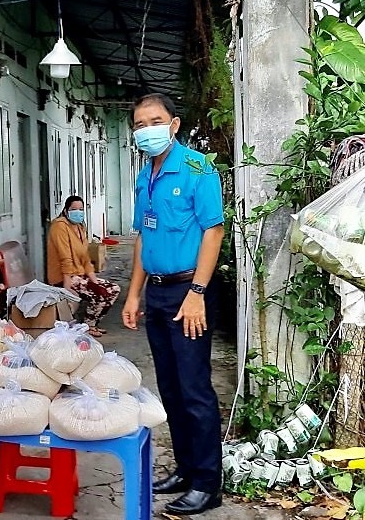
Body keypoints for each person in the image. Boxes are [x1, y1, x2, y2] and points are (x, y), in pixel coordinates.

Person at [122, 93, 225, 517]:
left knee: (195, 388)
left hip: (189, 293)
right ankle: (185, 469)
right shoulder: (145, 176)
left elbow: (213, 232)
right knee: (170, 386)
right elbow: (143, 237)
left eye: (156, 120)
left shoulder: (198, 169)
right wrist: (133, 293)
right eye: (140, 123)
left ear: (174, 124)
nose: (147, 128)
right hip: (159, 293)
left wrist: (198, 294)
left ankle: (207, 483)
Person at [47, 195, 120, 338]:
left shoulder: (80, 228)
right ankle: (88, 326)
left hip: (79, 274)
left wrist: (93, 278)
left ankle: (92, 324)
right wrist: (67, 280)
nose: (78, 212)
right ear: (66, 210)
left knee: (113, 290)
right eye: (74, 209)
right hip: (64, 276)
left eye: (81, 209)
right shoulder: (59, 226)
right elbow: (65, 255)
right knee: (100, 294)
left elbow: (85, 257)